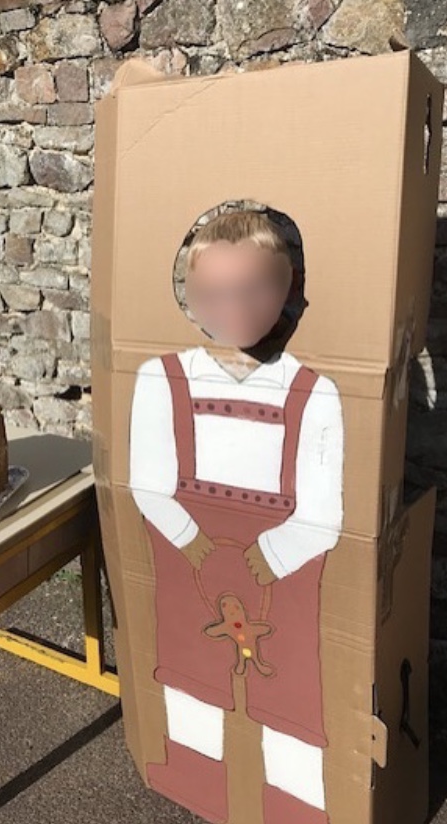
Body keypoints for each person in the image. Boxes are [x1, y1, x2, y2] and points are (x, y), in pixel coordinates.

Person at [129, 210, 344, 824]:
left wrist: (270, 558)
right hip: (188, 557)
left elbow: (324, 511)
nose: (235, 309)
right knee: (191, 682)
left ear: (288, 287)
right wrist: (193, 544)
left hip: (283, 567)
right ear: (189, 298)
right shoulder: (161, 377)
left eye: (253, 290)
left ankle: (297, 809)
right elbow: (148, 484)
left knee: (291, 703)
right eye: (215, 294)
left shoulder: (314, 391)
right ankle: (193, 783)